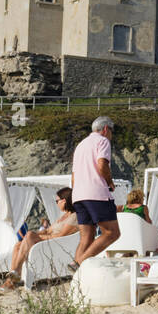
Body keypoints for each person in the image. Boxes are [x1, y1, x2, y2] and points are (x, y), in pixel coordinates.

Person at [69, 115, 121, 270]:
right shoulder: (103, 141)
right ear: (106, 129)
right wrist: (110, 182)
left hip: (78, 194)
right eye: (111, 131)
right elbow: (102, 165)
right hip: (96, 193)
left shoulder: (81, 145)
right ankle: (78, 264)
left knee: (86, 237)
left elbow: (73, 176)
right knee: (112, 233)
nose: (111, 135)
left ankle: (77, 278)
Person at [0, 187, 78, 289]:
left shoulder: (74, 216)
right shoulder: (63, 216)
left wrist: (37, 237)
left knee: (29, 236)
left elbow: (61, 236)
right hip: (50, 241)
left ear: (64, 200)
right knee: (18, 245)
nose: (56, 203)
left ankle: (15, 275)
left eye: (57, 201)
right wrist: (35, 234)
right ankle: (12, 278)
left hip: (56, 244)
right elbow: (48, 230)